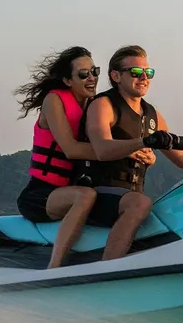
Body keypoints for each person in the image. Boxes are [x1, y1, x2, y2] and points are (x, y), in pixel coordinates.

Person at [75, 45, 183, 261]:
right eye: (136, 72)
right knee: (141, 203)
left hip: (131, 196)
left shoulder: (152, 115)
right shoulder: (104, 105)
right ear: (116, 76)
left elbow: (182, 157)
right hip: (98, 194)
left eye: (149, 72)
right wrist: (142, 142)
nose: (144, 78)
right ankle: (108, 268)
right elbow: (102, 149)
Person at [13, 46, 133, 269]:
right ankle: (54, 269)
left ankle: (112, 261)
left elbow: (114, 144)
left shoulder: (95, 105)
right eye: (83, 74)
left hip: (73, 188)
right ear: (67, 80)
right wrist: (124, 150)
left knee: (124, 200)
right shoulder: (54, 100)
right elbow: (71, 150)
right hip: (41, 194)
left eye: (94, 71)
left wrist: (142, 152)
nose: (92, 78)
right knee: (85, 195)